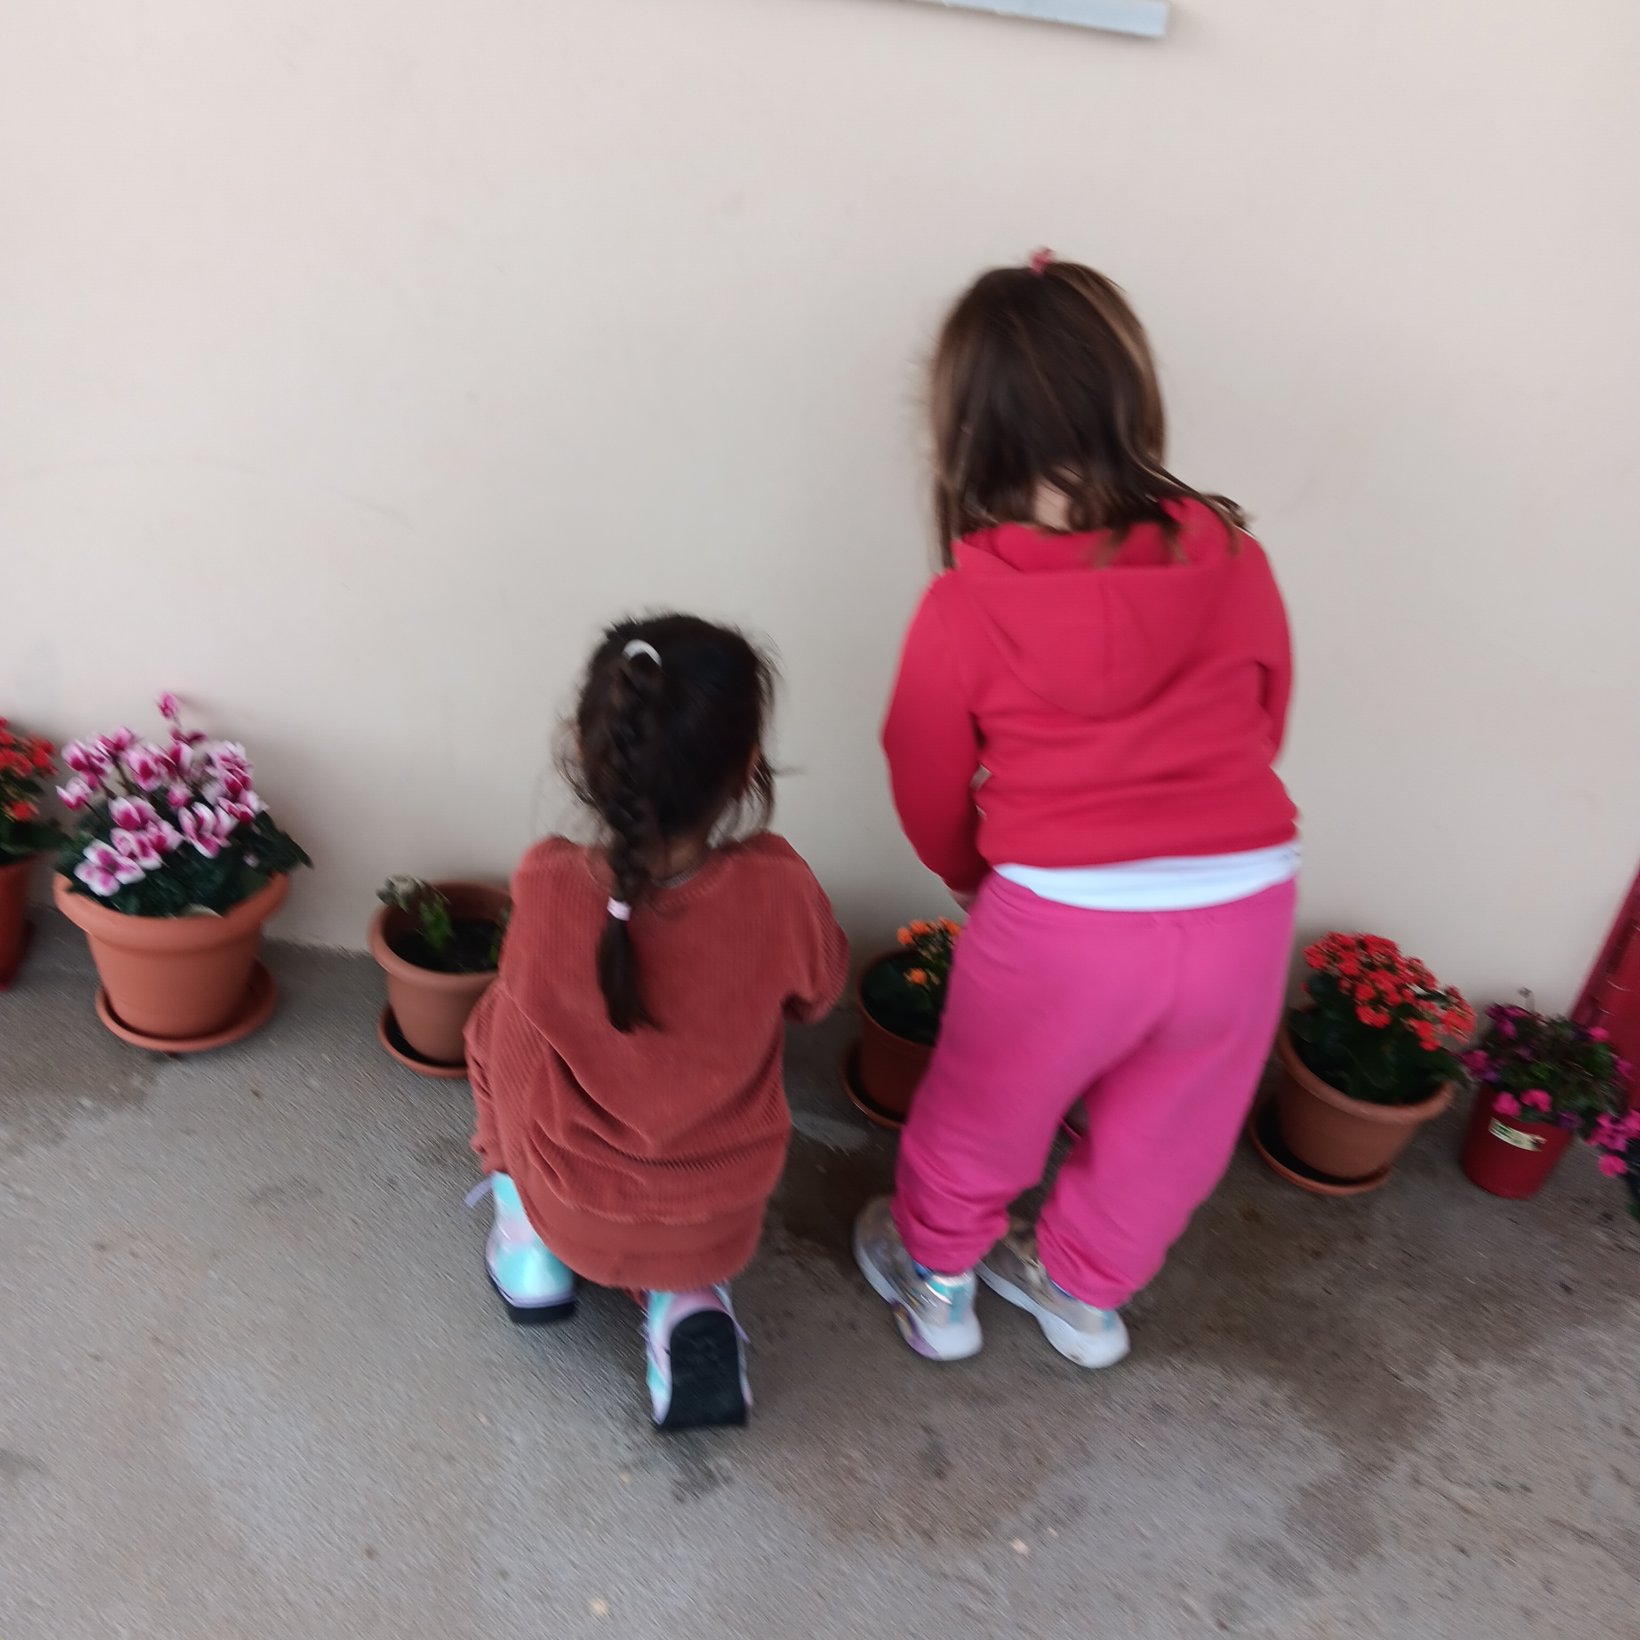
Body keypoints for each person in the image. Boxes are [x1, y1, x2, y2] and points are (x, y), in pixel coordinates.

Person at [855, 255, 1299, 1369]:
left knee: (985, 1105)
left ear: (964, 432)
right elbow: (1266, 712)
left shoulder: (963, 603)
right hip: (1244, 898)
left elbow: (920, 770)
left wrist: (974, 873)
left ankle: (938, 1285)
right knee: (1172, 1126)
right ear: (1129, 393)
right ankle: (1082, 1296)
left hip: (1060, 916)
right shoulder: (1236, 557)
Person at [466, 615, 848, 1430]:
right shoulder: (783, 889)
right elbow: (818, 998)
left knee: (499, 1018)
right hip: (720, 1217)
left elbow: (531, 1006)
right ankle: (686, 1299)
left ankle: (529, 1242)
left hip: (573, 1200)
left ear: (585, 748)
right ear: (747, 767)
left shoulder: (548, 883)